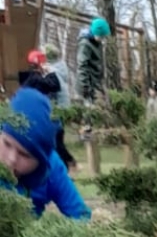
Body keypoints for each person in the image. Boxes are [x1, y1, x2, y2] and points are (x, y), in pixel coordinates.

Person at [0, 87, 90, 218]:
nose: (11, 159)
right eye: (7, 144)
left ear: (41, 160)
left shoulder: (53, 168)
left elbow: (80, 215)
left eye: (24, 154)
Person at [17, 64, 78, 170]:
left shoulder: (31, 80)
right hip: (48, 116)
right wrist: (50, 72)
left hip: (46, 115)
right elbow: (54, 85)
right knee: (56, 142)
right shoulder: (37, 79)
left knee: (56, 142)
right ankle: (68, 163)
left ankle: (68, 163)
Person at [77, 17, 109, 105]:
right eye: (101, 36)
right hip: (87, 84)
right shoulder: (85, 44)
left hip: (96, 82)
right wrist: (85, 86)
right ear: (96, 32)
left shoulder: (97, 43)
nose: (102, 38)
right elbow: (82, 66)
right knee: (89, 109)